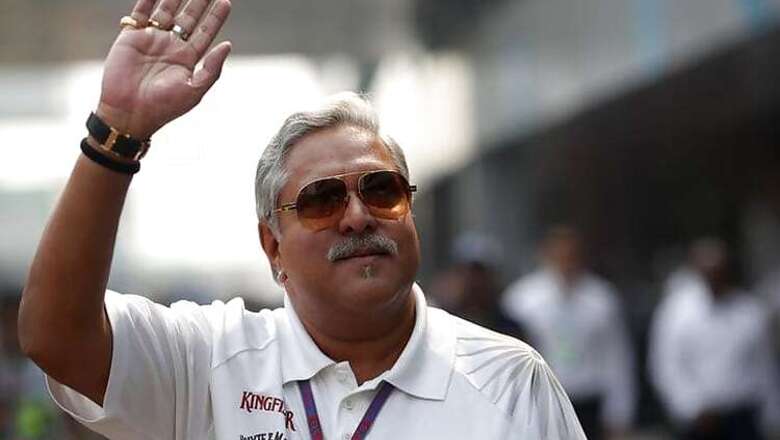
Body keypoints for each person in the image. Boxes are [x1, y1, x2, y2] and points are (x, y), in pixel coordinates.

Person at [17, 0, 586, 439]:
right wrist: (115, 132)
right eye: (322, 201)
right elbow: (55, 336)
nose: (358, 216)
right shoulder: (209, 361)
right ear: (273, 248)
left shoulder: (510, 382)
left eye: (381, 190)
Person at [501, 226, 636, 440]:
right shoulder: (523, 300)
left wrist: (619, 412)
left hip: (589, 401)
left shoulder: (601, 299)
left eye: (572, 255)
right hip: (542, 400)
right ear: (546, 255)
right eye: (560, 255)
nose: (566, 262)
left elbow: (616, 358)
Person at [648, 238, 780, 440]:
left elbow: (764, 366)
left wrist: (772, 414)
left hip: (743, 414)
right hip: (698, 419)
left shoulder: (749, 312)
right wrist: (692, 407)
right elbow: (666, 365)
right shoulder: (677, 312)